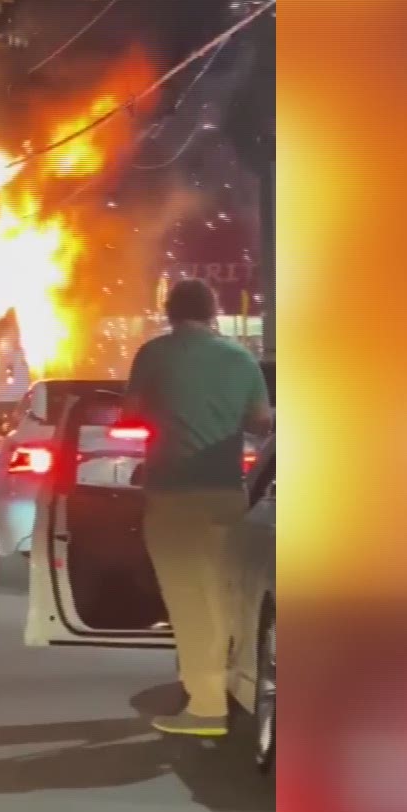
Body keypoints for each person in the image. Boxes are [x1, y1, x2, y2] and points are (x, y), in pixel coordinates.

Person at [124, 278, 274, 737]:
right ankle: (227, 682)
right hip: (228, 494)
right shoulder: (241, 358)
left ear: (170, 313)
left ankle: (207, 708)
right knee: (224, 597)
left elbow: (132, 414)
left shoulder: (155, 355)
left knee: (190, 602)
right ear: (213, 313)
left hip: (173, 495)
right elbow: (261, 422)